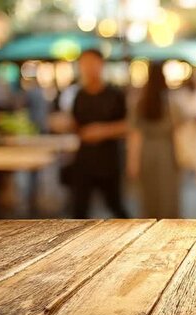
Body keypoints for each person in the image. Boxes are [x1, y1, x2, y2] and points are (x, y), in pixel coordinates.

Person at [70, 49, 129, 218]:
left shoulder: (115, 94)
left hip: (108, 159)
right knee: (79, 209)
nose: (88, 68)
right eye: (84, 64)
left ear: (101, 65)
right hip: (84, 159)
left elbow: (128, 125)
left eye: (92, 63)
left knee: (115, 205)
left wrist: (102, 131)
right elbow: (76, 125)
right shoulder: (79, 95)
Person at [127, 63, 181, 219]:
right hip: (166, 151)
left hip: (146, 151)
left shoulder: (140, 102)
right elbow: (177, 131)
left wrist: (132, 162)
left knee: (148, 195)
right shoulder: (171, 102)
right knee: (167, 194)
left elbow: (135, 135)